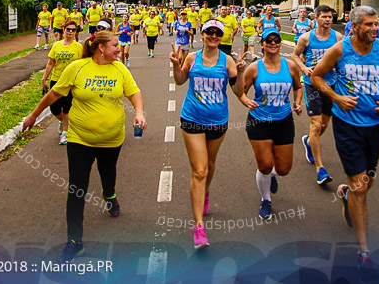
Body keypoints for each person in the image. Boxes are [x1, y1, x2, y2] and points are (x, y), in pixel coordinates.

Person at [23, 29, 146, 264]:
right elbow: (53, 95)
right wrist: (33, 115)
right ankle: (74, 241)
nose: (118, 49)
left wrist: (139, 113)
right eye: (114, 46)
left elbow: (134, 93)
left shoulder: (119, 69)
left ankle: (110, 195)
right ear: (101, 47)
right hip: (80, 139)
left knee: (107, 174)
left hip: (112, 138)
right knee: (77, 188)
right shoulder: (77, 68)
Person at [310, 5, 379, 283]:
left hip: (375, 126)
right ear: (355, 26)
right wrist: (336, 99)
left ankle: (346, 193)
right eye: (369, 24)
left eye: (377, 24)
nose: (375, 28)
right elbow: (316, 76)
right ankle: (364, 251)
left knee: (367, 183)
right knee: (361, 187)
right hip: (347, 126)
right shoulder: (339, 49)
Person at [173, 19, 254, 249]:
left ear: (221, 36)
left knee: (209, 164)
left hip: (218, 121)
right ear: (202, 34)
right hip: (192, 119)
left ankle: (204, 192)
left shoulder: (227, 61)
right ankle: (198, 226)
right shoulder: (192, 58)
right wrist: (174, 65)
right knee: (199, 170)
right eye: (209, 32)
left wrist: (240, 72)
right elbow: (180, 81)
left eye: (217, 33)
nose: (213, 36)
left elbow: (238, 91)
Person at [239, 27, 303, 219]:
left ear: (280, 42)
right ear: (262, 44)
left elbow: (298, 87)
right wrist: (245, 100)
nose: (273, 43)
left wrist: (297, 103)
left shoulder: (290, 66)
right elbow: (240, 91)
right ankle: (265, 199)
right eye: (269, 41)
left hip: (283, 121)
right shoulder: (254, 68)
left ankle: (273, 176)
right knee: (265, 165)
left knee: (283, 169)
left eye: (276, 40)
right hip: (259, 122)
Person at [293, 5, 339, 186]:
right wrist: (304, 68)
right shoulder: (306, 38)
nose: (328, 20)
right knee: (316, 124)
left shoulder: (338, 38)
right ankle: (320, 169)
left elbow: (343, 55)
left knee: (324, 124)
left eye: (330, 17)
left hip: (331, 84)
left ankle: (309, 141)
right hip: (312, 84)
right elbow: (296, 55)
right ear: (317, 18)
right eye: (324, 17)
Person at [38, 19, 84, 145]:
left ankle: (65, 133)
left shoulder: (78, 47)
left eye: (73, 30)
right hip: (57, 80)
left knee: (68, 106)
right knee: (54, 107)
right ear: (63, 30)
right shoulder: (57, 45)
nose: (70, 32)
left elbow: (82, 65)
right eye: (68, 29)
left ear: (75, 32)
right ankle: (62, 121)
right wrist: (44, 78)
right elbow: (50, 63)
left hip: (71, 82)